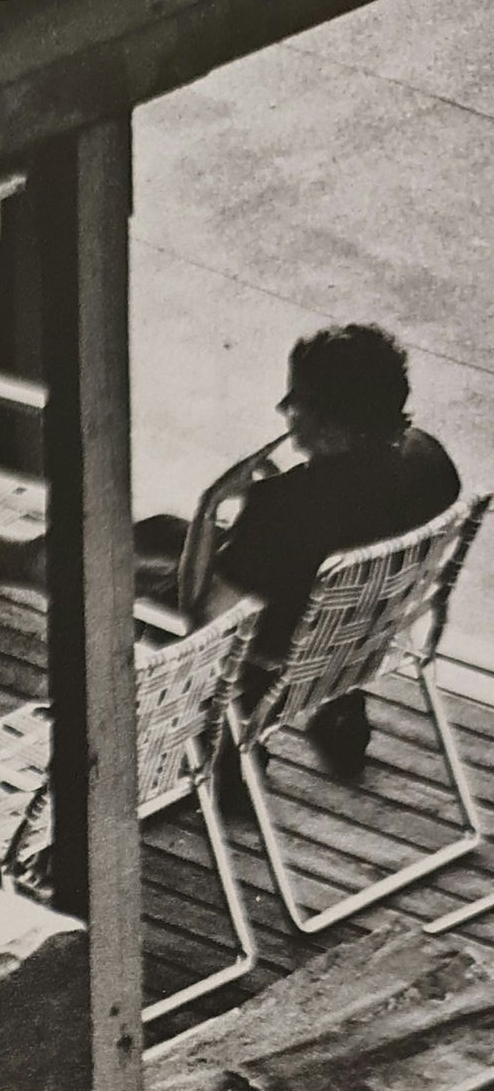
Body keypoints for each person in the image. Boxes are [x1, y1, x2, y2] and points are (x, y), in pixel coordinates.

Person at [139, 324, 460, 782]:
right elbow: (336, 517)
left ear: (330, 426)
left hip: (280, 645)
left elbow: (201, 617)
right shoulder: (429, 460)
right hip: (355, 635)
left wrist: (211, 506)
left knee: (130, 572)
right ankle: (340, 709)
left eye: (295, 403)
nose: (282, 410)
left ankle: (216, 743)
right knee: (159, 534)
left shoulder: (280, 506)